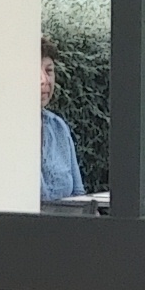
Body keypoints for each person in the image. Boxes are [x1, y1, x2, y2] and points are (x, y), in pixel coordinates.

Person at [40, 46, 85, 203]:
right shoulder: (5, 130)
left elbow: (78, 193)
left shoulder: (58, 127)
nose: (44, 80)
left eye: (49, 71)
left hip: (66, 219)